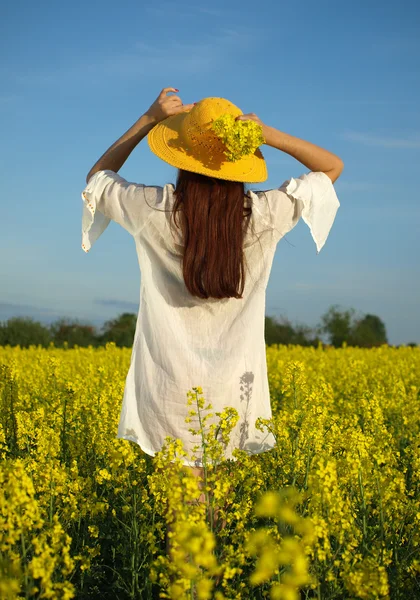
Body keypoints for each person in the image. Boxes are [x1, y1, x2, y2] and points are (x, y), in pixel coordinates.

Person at [81, 87, 343, 526]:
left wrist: (148, 118)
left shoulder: (154, 209)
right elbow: (331, 168)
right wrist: (268, 134)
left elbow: (98, 178)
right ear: (240, 166)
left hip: (168, 389)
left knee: (183, 524)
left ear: (182, 160)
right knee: (218, 521)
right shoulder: (262, 215)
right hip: (233, 394)